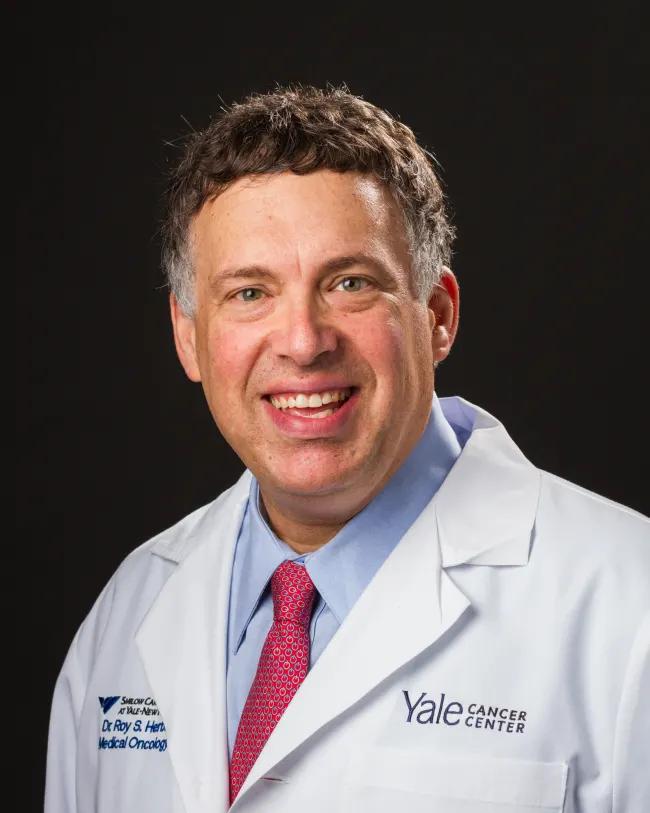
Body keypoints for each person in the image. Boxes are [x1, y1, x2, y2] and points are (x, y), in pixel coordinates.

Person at [44, 85, 649, 813]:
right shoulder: (129, 610)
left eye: (350, 283)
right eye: (249, 293)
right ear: (188, 335)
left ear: (437, 316)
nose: (303, 342)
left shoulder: (626, 605)